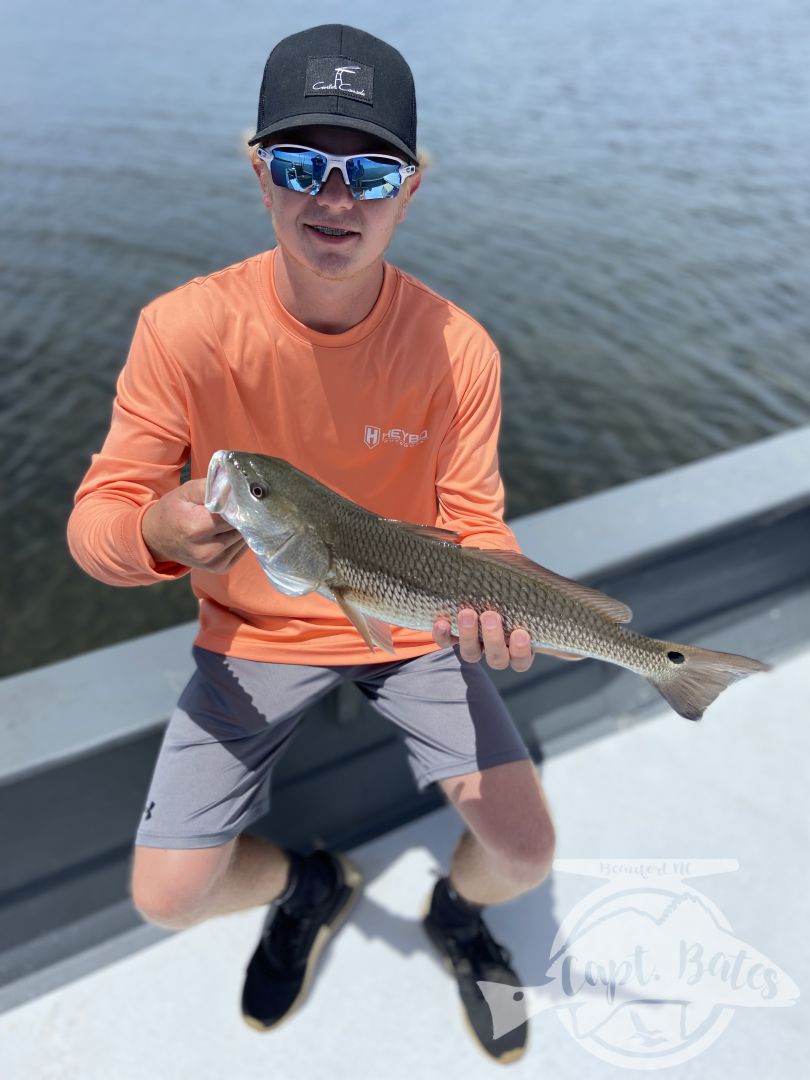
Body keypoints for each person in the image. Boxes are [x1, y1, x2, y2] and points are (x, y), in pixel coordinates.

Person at [67, 23, 579, 1064]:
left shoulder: (459, 348)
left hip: (412, 622)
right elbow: (98, 520)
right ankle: (309, 884)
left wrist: (505, 598)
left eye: (369, 171)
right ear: (261, 174)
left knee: (524, 850)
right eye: (301, 165)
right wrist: (157, 532)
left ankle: (454, 913)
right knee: (167, 897)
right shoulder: (183, 328)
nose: (333, 199)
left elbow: (473, 523)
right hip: (254, 632)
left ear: (411, 186)